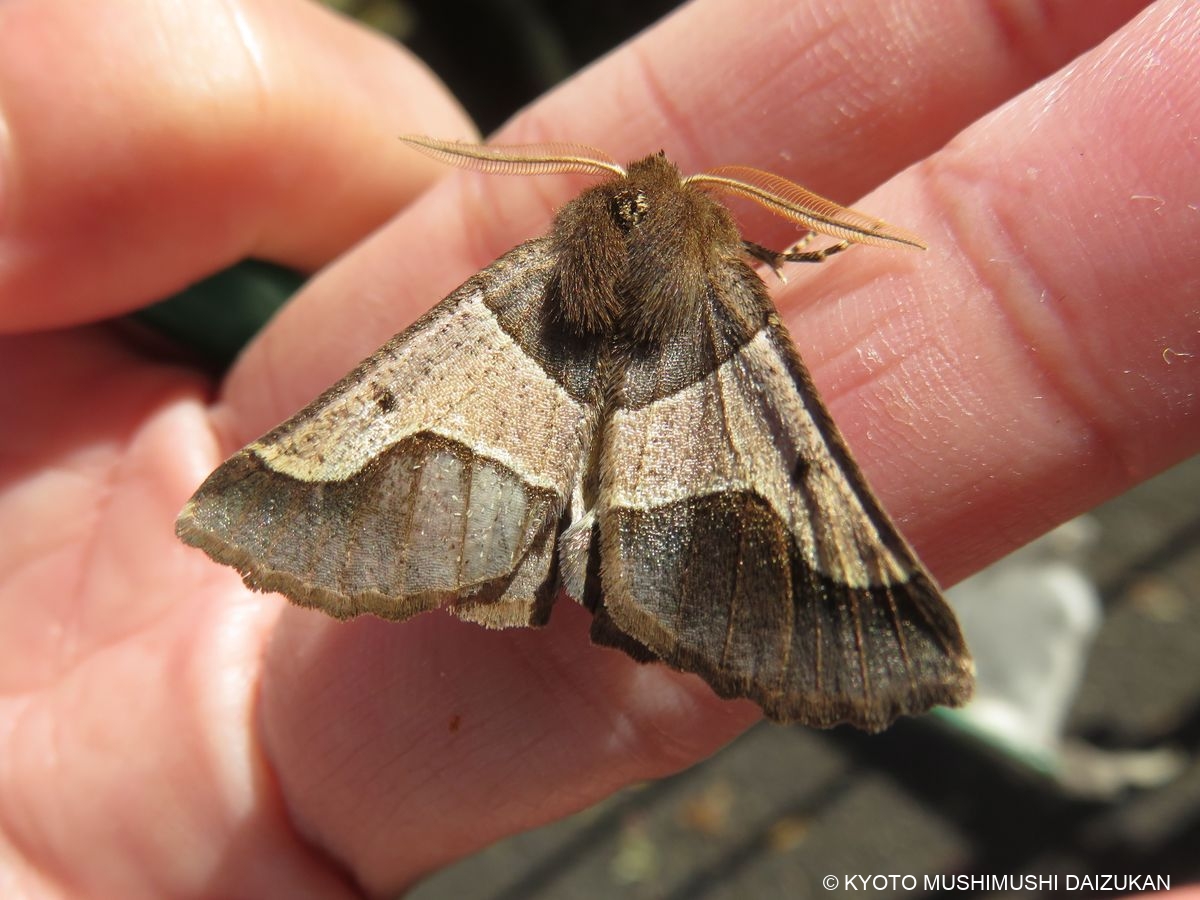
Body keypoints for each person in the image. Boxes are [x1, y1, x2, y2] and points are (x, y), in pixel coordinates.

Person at [0, 0, 1195, 895]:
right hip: (708, 406)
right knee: (800, 510)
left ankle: (595, 566)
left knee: (394, 418)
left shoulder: (526, 279)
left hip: (517, 384)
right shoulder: (717, 287)